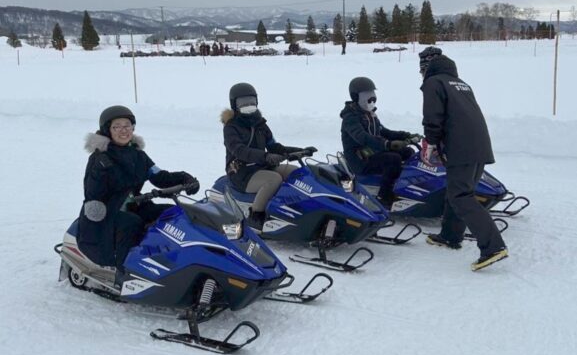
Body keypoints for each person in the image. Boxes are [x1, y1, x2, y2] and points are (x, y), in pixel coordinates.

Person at [419, 46, 508, 271]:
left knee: (461, 196)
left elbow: (433, 117)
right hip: (478, 145)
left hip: (461, 147)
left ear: (425, 67)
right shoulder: (460, 83)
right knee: (456, 191)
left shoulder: (433, 83)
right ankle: (450, 236)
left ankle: (493, 247)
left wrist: (430, 142)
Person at [77, 105, 199, 268]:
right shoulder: (100, 158)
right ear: (108, 130)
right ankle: (123, 271)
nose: (123, 130)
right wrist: (101, 172)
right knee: (131, 223)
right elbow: (92, 193)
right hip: (108, 211)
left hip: (134, 204)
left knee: (171, 214)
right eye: (117, 126)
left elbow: (159, 176)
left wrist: (185, 178)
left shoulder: (138, 155)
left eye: (127, 125)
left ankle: (170, 261)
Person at [221, 83, 317, 229]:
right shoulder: (231, 128)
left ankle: (299, 208)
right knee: (274, 179)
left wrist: (299, 151)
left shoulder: (260, 124)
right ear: (234, 104)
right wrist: (266, 156)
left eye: (251, 101)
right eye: (243, 102)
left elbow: (274, 146)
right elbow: (240, 151)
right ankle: (255, 215)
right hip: (242, 174)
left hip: (263, 166)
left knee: (296, 172)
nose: (248, 105)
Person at [340, 77, 420, 207]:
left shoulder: (369, 114)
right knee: (393, 159)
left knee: (407, 152)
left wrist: (406, 135)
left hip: (372, 153)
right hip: (359, 159)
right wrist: (387, 144)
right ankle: (384, 196)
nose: (371, 99)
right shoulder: (350, 118)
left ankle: (404, 187)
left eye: (373, 94)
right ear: (356, 97)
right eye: (367, 95)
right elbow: (363, 137)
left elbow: (383, 131)